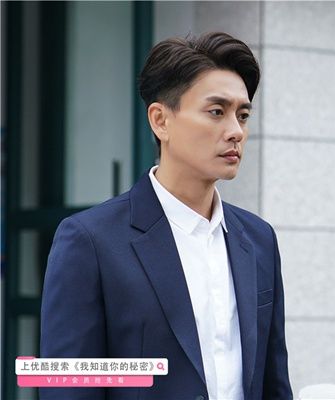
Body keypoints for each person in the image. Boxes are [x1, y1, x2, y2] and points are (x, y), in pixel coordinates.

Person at [40, 32, 292, 400]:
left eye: (243, 115)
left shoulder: (258, 239)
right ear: (161, 120)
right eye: (217, 112)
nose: (236, 132)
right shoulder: (90, 241)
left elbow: (273, 383)